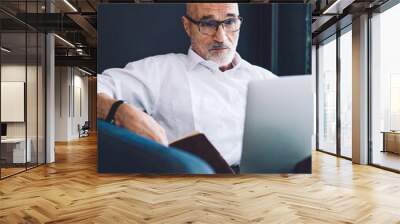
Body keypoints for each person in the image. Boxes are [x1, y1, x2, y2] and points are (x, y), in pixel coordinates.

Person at [97, 3, 276, 167]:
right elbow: (93, 89)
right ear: (187, 26)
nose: (221, 37)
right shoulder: (160, 70)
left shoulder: (264, 78)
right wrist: (122, 112)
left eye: (229, 22)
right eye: (207, 24)